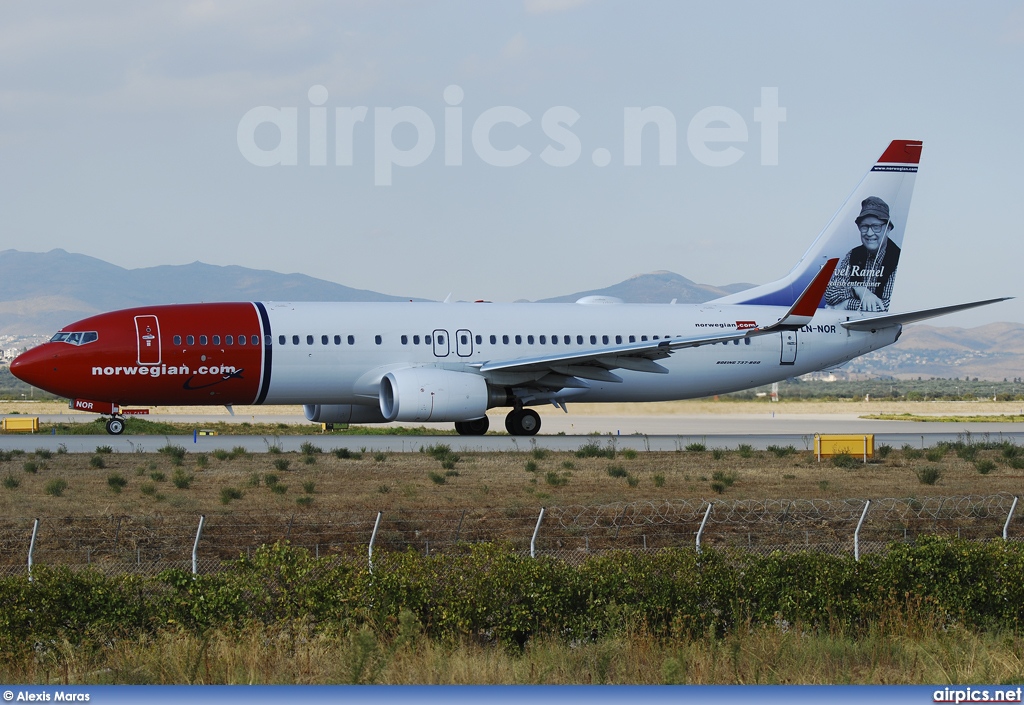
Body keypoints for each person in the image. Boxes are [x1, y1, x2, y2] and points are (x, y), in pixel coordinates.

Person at [825, 195, 901, 312]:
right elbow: (830, 294)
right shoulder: (852, 255)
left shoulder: (898, 259)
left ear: (888, 228)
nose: (869, 233)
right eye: (864, 227)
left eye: (876, 227)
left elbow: (887, 307)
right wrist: (858, 289)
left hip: (879, 327)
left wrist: (846, 304)